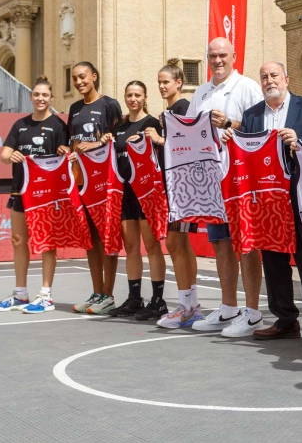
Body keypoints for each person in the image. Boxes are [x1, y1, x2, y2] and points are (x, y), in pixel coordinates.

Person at [231, 61, 302, 347]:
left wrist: (300, 141)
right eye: (264, 77)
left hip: (301, 194)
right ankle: (286, 320)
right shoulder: (251, 115)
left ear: (286, 78)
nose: (269, 80)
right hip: (266, 199)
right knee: (273, 262)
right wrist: (230, 138)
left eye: (274, 75)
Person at [187, 37, 264, 337]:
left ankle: (254, 313)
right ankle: (229, 307)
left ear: (234, 56)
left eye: (222, 55)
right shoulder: (202, 92)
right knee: (220, 244)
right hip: (211, 179)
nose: (217, 61)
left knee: (246, 244)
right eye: (212, 56)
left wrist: (231, 124)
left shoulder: (247, 87)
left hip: (241, 180)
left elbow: (261, 128)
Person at [0, 76, 69, 314]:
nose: (40, 98)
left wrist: (63, 150)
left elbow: (65, 153)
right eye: (37, 94)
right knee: (18, 241)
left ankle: (45, 295)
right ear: (31, 97)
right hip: (20, 191)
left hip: (46, 194)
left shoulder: (58, 125)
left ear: (51, 98)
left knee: (47, 244)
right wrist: (10, 156)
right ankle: (20, 294)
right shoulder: (20, 125)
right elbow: (4, 155)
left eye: (45, 95)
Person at [148, 60, 203, 329]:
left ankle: (187, 306)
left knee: (174, 244)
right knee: (180, 244)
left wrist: (158, 139)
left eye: (166, 82)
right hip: (174, 188)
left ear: (178, 83)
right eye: (158, 82)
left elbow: (188, 145)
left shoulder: (182, 109)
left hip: (183, 189)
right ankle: (191, 305)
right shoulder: (169, 110)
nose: (161, 86)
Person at [107, 81, 168, 320]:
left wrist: (156, 139)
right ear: (124, 97)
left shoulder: (152, 124)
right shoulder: (119, 126)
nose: (133, 99)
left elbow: (163, 153)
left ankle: (158, 301)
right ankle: (134, 299)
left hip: (146, 192)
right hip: (124, 192)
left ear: (145, 97)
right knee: (131, 248)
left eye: (137, 95)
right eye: (129, 95)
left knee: (152, 247)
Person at [68, 61, 122, 315]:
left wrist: (101, 142)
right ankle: (97, 292)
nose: (79, 82)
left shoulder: (109, 105)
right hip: (81, 181)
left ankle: (109, 295)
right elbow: (74, 145)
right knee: (90, 240)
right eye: (75, 79)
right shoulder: (74, 109)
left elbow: (117, 141)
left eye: (83, 77)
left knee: (106, 237)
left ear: (94, 77)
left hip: (105, 182)